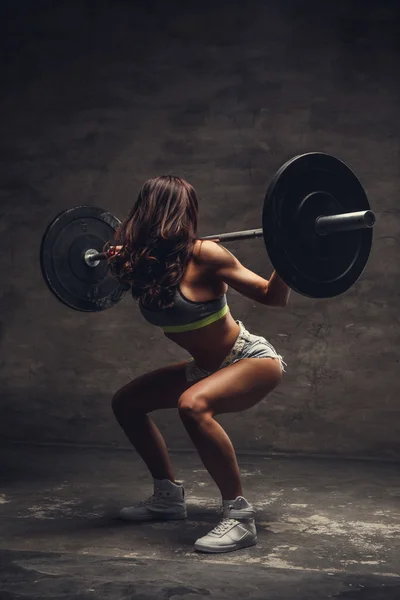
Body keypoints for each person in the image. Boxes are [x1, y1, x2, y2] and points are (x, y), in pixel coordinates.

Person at [106, 175, 289, 554]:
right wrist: (109, 261)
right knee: (126, 403)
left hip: (248, 358)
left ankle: (239, 518)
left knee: (192, 404)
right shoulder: (144, 262)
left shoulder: (207, 254)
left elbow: (273, 298)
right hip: (204, 368)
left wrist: (291, 254)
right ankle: (168, 497)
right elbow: (93, 285)